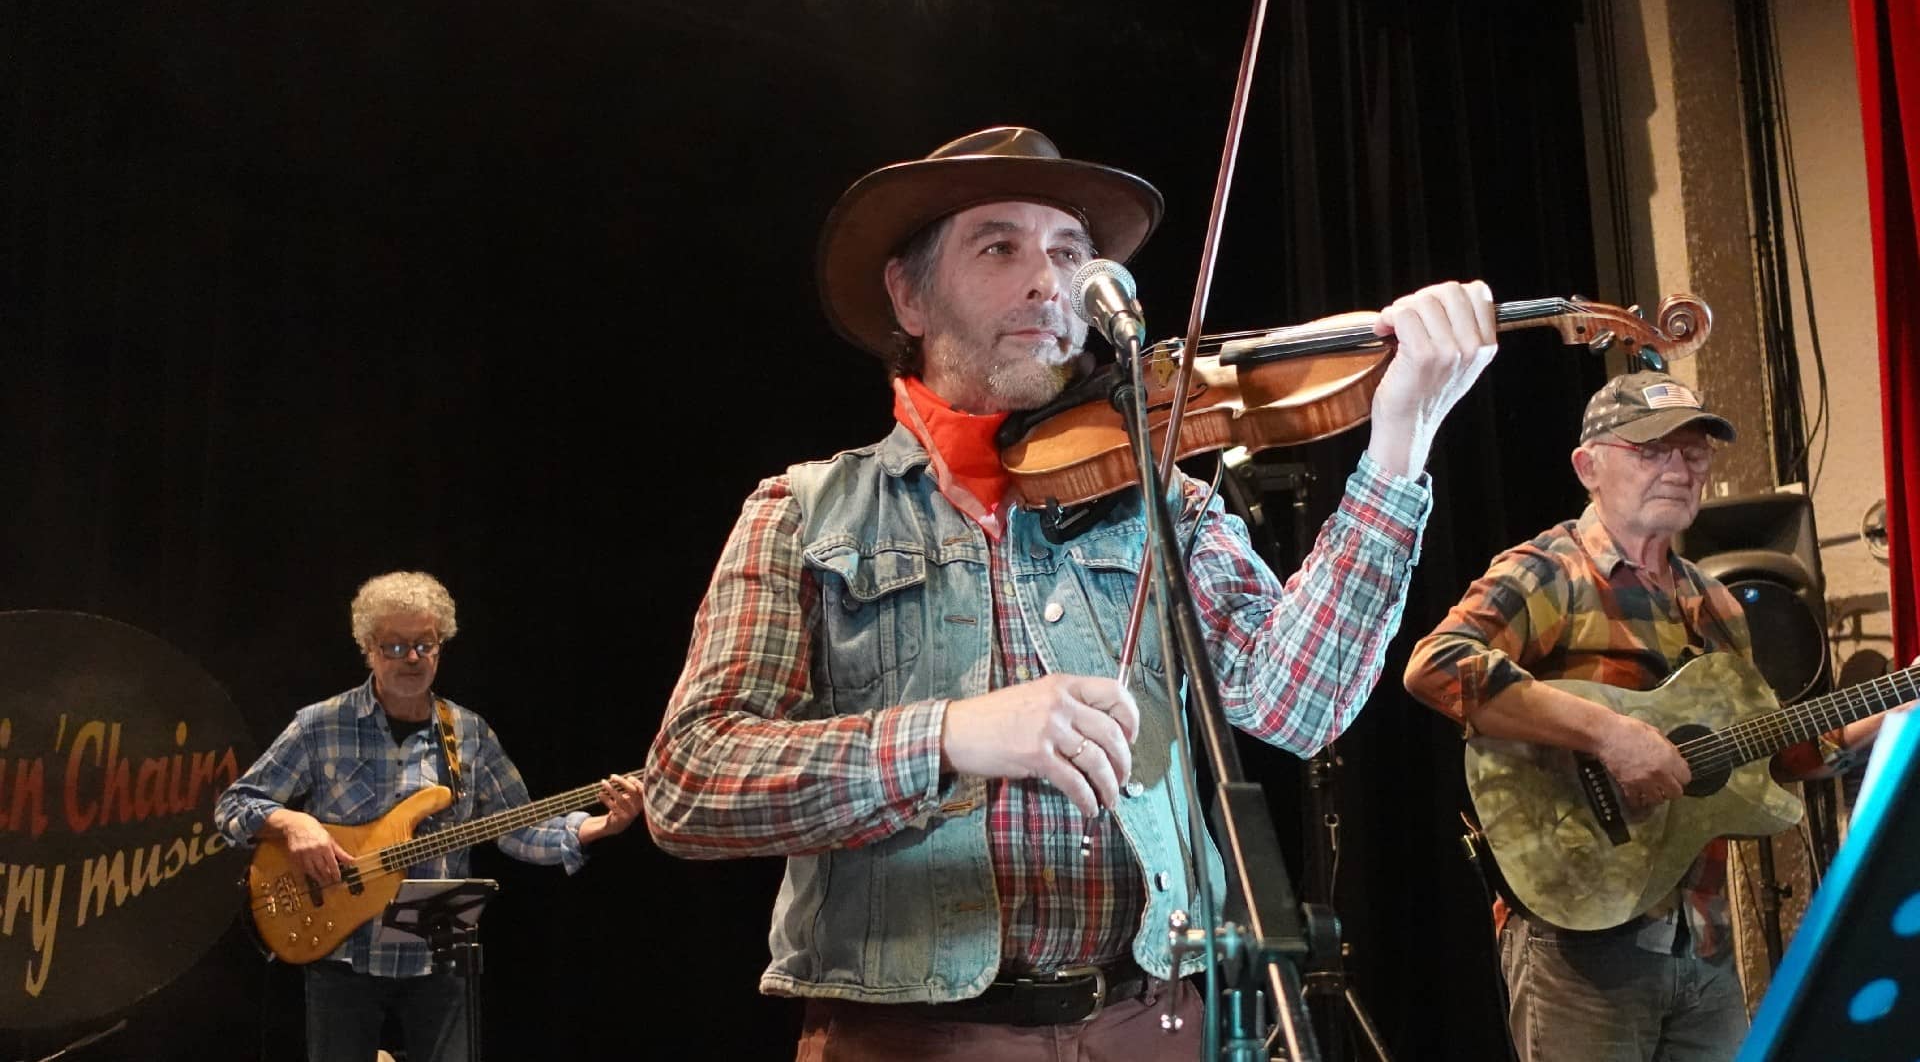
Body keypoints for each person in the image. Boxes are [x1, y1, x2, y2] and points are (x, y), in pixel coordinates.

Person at [643, 125, 1500, 1060]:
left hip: (1160, 1020)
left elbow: (1299, 705)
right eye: (999, 246)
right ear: (909, 293)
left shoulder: (1162, 498)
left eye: (1068, 252)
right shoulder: (803, 513)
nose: (1048, 283)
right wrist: (951, 736)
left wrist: (1398, 447)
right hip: (914, 1037)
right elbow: (692, 782)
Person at [1402, 371, 1901, 1062]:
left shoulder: (1719, 607)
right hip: (1580, 938)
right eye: (1650, 450)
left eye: (1694, 452)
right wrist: (1611, 734)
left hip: (1703, 944)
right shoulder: (1550, 571)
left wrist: (1898, 713)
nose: (1678, 468)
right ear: (1589, 466)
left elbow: (1789, 756)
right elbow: (1436, 664)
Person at [214, 570, 643, 1062]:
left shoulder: (468, 732)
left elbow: (519, 827)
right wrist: (292, 824)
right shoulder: (320, 724)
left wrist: (599, 826)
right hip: (342, 941)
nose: (412, 658)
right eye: (395, 646)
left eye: (425, 644)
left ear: (442, 647)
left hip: (440, 932)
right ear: (369, 648)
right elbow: (233, 806)